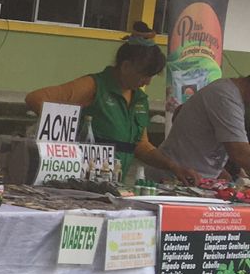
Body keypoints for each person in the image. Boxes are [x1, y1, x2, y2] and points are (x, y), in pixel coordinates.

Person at [26, 31, 197, 182]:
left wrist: (173, 167)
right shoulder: (93, 86)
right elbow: (36, 98)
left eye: (151, 76)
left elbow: (141, 146)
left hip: (113, 181)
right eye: (144, 75)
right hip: (80, 180)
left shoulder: (140, 99)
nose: (148, 82)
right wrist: (66, 132)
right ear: (126, 66)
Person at [156, 74, 250, 183]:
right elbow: (239, 152)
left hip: (193, 177)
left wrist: (218, 170)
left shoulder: (227, 92)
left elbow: (180, 112)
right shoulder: (225, 96)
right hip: (176, 176)